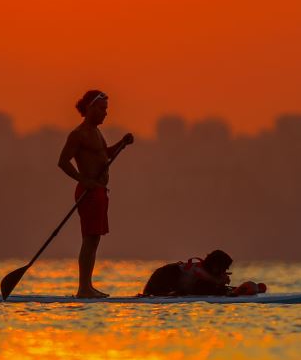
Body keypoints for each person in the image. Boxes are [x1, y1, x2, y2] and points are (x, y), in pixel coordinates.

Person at [57, 90, 133, 298]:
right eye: (101, 109)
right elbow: (63, 161)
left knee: (94, 240)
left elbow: (104, 155)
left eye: (106, 109)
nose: (105, 113)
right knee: (89, 239)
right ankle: (83, 288)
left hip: (99, 191)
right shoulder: (78, 134)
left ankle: (87, 286)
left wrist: (122, 143)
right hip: (88, 193)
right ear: (90, 108)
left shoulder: (97, 132)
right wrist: (83, 180)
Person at [141, 250, 267, 297]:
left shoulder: (205, 271)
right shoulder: (200, 275)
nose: (224, 272)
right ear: (216, 266)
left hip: (162, 282)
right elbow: (204, 290)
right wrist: (229, 292)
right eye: (224, 268)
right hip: (159, 284)